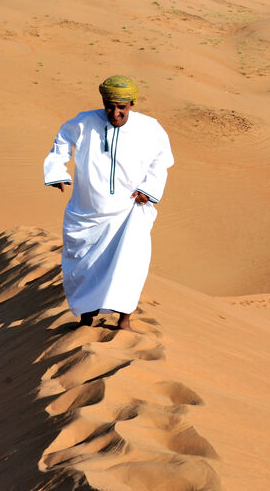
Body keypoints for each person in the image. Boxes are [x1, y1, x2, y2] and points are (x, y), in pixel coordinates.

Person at [43, 75, 173, 330]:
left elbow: (162, 161)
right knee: (85, 264)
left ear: (132, 104)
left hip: (130, 210)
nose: (115, 113)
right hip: (87, 210)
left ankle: (124, 320)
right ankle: (86, 317)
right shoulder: (83, 123)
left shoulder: (150, 128)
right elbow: (61, 143)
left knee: (130, 264)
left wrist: (149, 189)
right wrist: (57, 171)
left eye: (121, 107)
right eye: (109, 107)